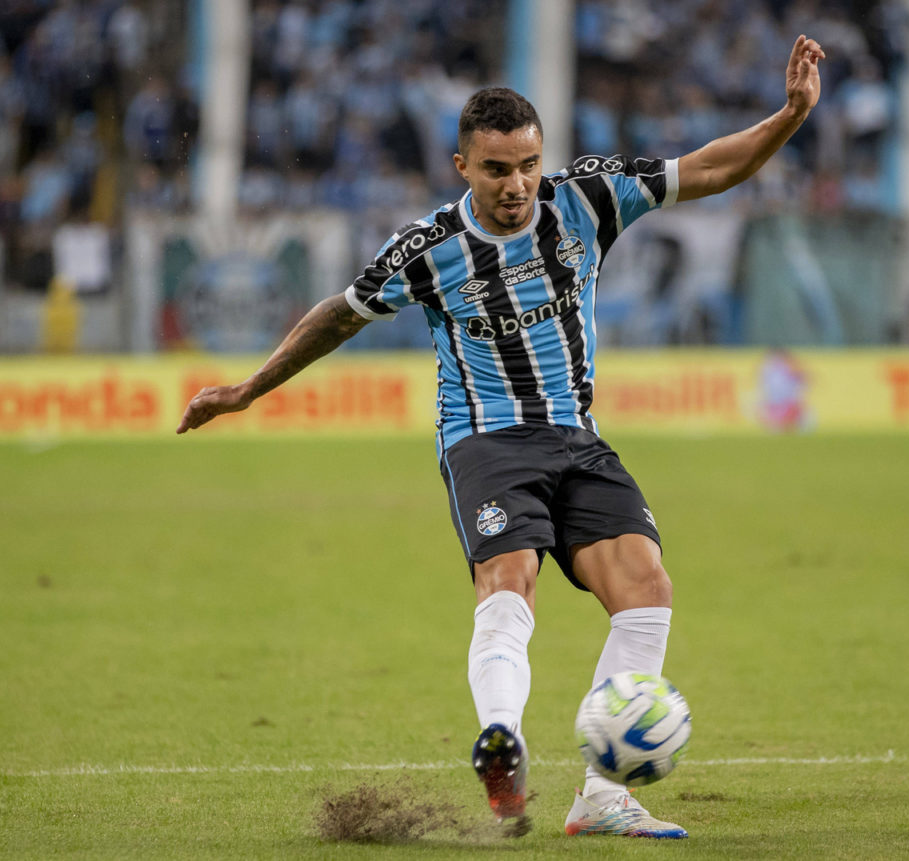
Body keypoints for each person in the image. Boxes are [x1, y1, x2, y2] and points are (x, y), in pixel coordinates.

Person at [177, 34, 826, 838]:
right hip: (485, 441)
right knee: (510, 577)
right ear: (462, 167)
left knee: (647, 586)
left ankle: (601, 795)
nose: (516, 185)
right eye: (496, 169)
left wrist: (791, 115)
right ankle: (503, 739)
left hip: (579, 437)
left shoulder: (586, 198)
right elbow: (336, 315)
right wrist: (247, 389)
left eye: (527, 165)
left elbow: (711, 168)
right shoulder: (428, 249)